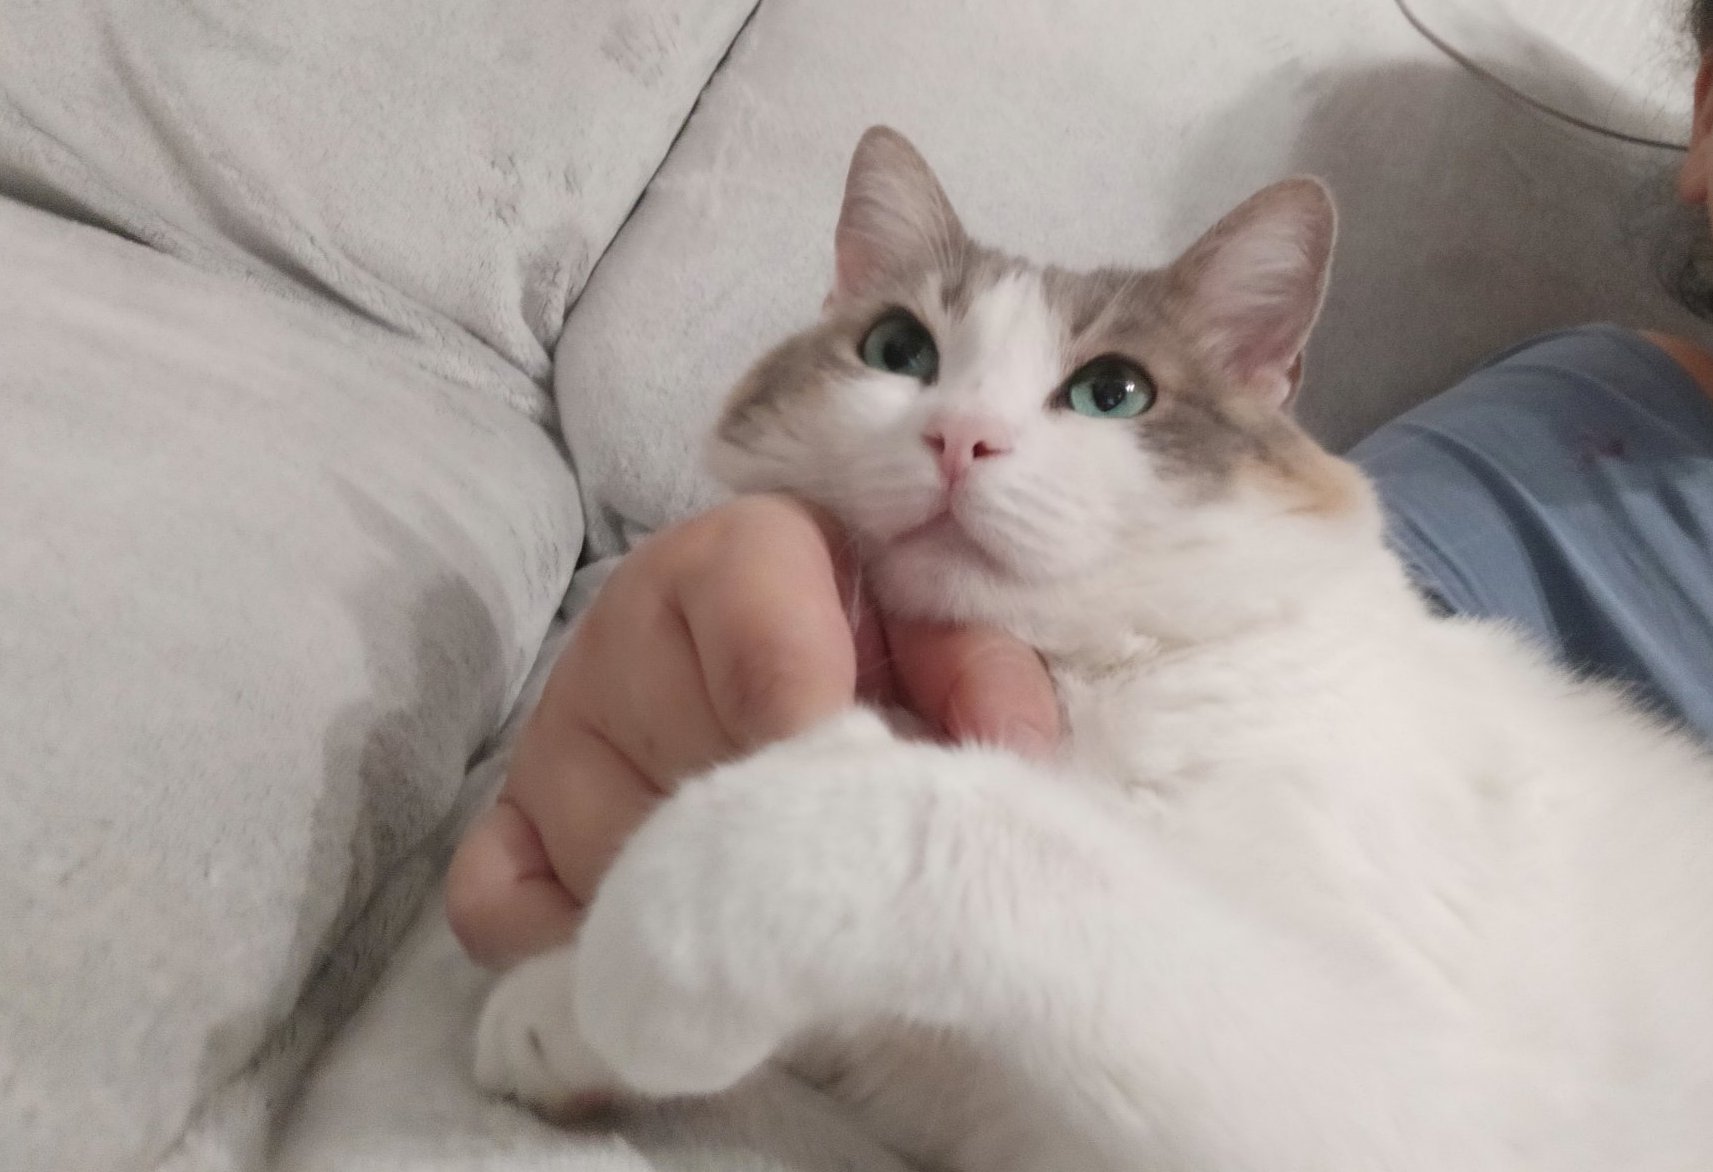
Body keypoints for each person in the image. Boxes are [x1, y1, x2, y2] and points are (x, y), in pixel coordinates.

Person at [446, 0, 1713, 970]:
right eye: (904, 349)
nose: (965, 434)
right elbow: (1272, 683)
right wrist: (715, 656)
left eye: (1104, 388)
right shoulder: (1554, 462)